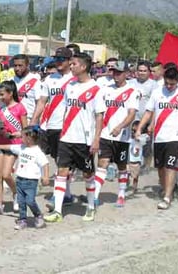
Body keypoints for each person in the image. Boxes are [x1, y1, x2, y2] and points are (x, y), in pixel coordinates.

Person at [44, 52, 105, 223]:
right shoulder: (70, 86)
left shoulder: (95, 89)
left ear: (84, 67)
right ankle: (57, 210)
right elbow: (64, 109)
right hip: (66, 138)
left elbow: (99, 116)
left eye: (74, 64)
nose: (71, 67)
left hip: (84, 141)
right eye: (70, 64)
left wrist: (96, 139)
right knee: (61, 172)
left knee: (87, 174)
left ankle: (91, 207)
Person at [136, 67, 178, 209]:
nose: (169, 87)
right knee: (160, 167)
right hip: (159, 137)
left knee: (170, 166)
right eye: (167, 84)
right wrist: (140, 127)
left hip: (175, 136)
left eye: (172, 84)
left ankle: (167, 196)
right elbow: (149, 112)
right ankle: (166, 188)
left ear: (177, 82)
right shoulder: (157, 93)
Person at [30, 47, 76, 211]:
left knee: (61, 162)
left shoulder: (76, 80)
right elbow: (42, 102)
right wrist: (34, 121)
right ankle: (36, 188)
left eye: (62, 59)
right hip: (47, 126)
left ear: (70, 61)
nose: (58, 62)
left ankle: (63, 194)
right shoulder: (49, 79)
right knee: (38, 156)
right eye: (56, 59)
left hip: (65, 128)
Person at [93, 61, 140, 208]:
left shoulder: (132, 91)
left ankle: (121, 194)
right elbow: (99, 112)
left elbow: (132, 114)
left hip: (122, 137)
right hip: (106, 134)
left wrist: (120, 127)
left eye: (119, 72)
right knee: (103, 164)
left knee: (121, 166)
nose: (116, 75)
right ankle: (94, 196)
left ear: (126, 74)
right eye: (114, 72)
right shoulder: (105, 90)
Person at [0, 80, 27, 215]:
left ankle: (16, 193)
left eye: (2, 94)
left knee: (6, 174)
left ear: (11, 93)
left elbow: (25, 131)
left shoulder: (20, 108)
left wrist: (18, 134)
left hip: (13, 145)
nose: (0, 97)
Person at [0, 126, 50, 230]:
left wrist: (45, 176)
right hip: (19, 180)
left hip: (31, 182)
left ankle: (38, 215)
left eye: (22, 136)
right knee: (21, 202)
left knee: (30, 201)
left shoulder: (37, 152)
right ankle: (22, 219)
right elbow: (9, 147)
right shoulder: (21, 147)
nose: (20, 138)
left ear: (29, 138)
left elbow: (45, 164)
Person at [12, 54, 42, 122]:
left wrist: (34, 121)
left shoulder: (35, 81)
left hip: (28, 120)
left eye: (20, 65)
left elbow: (39, 104)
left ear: (27, 65)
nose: (17, 68)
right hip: (12, 120)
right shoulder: (10, 81)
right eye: (15, 66)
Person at [128, 121, 149, 194]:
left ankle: (134, 188)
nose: (134, 132)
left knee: (136, 177)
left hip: (137, 161)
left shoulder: (142, 139)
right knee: (127, 174)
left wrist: (138, 137)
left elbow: (146, 139)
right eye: (133, 130)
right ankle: (126, 183)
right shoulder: (129, 139)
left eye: (136, 131)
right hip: (129, 161)